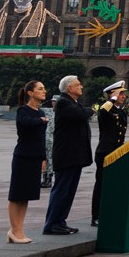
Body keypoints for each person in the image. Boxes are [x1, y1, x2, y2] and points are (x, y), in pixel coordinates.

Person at [44, 75, 92, 235]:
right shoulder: (63, 102)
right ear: (69, 88)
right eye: (78, 84)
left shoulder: (74, 102)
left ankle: (61, 221)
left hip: (74, 155)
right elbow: (82, 114)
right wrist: (94, 109)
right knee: (62, 189)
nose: (81, 87)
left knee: (69, 191)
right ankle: (51, 223)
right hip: (66, 155)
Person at [8, 80, 49, 243]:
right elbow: (26, 123)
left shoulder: (40, 112)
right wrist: (41, 121)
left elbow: (41, 138)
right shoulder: (23, 110)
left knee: (26, 195)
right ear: (30, 93)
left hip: (35, 156)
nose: (44, 91)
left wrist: (44, 157)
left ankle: (19, 228)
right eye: (40, 89)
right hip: (23, 156)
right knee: (16, 194)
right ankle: (14, 230)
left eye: (44, 88)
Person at [91, 81, 129, 226]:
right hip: (106, 151)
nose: (123, 96)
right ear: (112, 94)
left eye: (123, 94)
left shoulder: (120, 111)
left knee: (113, 185)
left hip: (117, 151)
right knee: (101, 185)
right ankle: (96, 216)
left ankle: (109, 213)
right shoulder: (106, 109)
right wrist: (111, 100)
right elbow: (101, 112)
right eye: (120, 94)